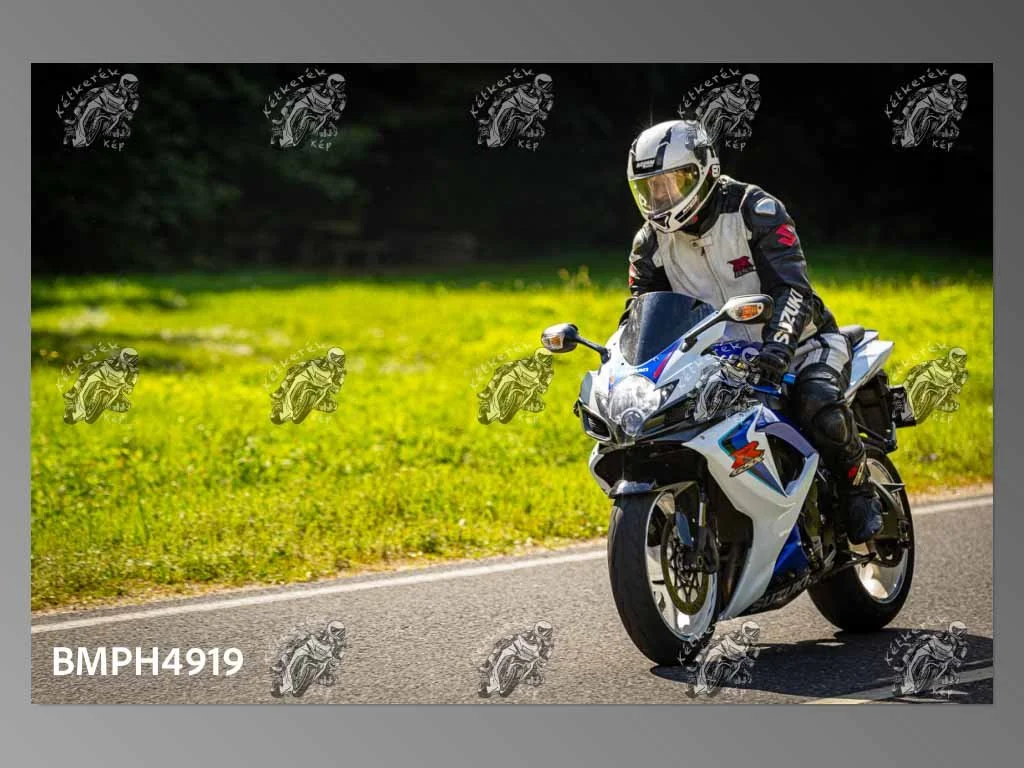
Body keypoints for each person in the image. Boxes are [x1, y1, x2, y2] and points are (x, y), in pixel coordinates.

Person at [622, 119, 882, 543]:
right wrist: (627, 372)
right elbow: (638, 316)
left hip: (803, 343)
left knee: (817, 402)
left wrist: (778, 351)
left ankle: (858, 490)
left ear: (705, 169)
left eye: (672, 183)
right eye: (650, 188)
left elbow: (792, 289)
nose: (661, 197)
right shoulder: (649, 244)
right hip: (716, 364)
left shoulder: (754, 210)